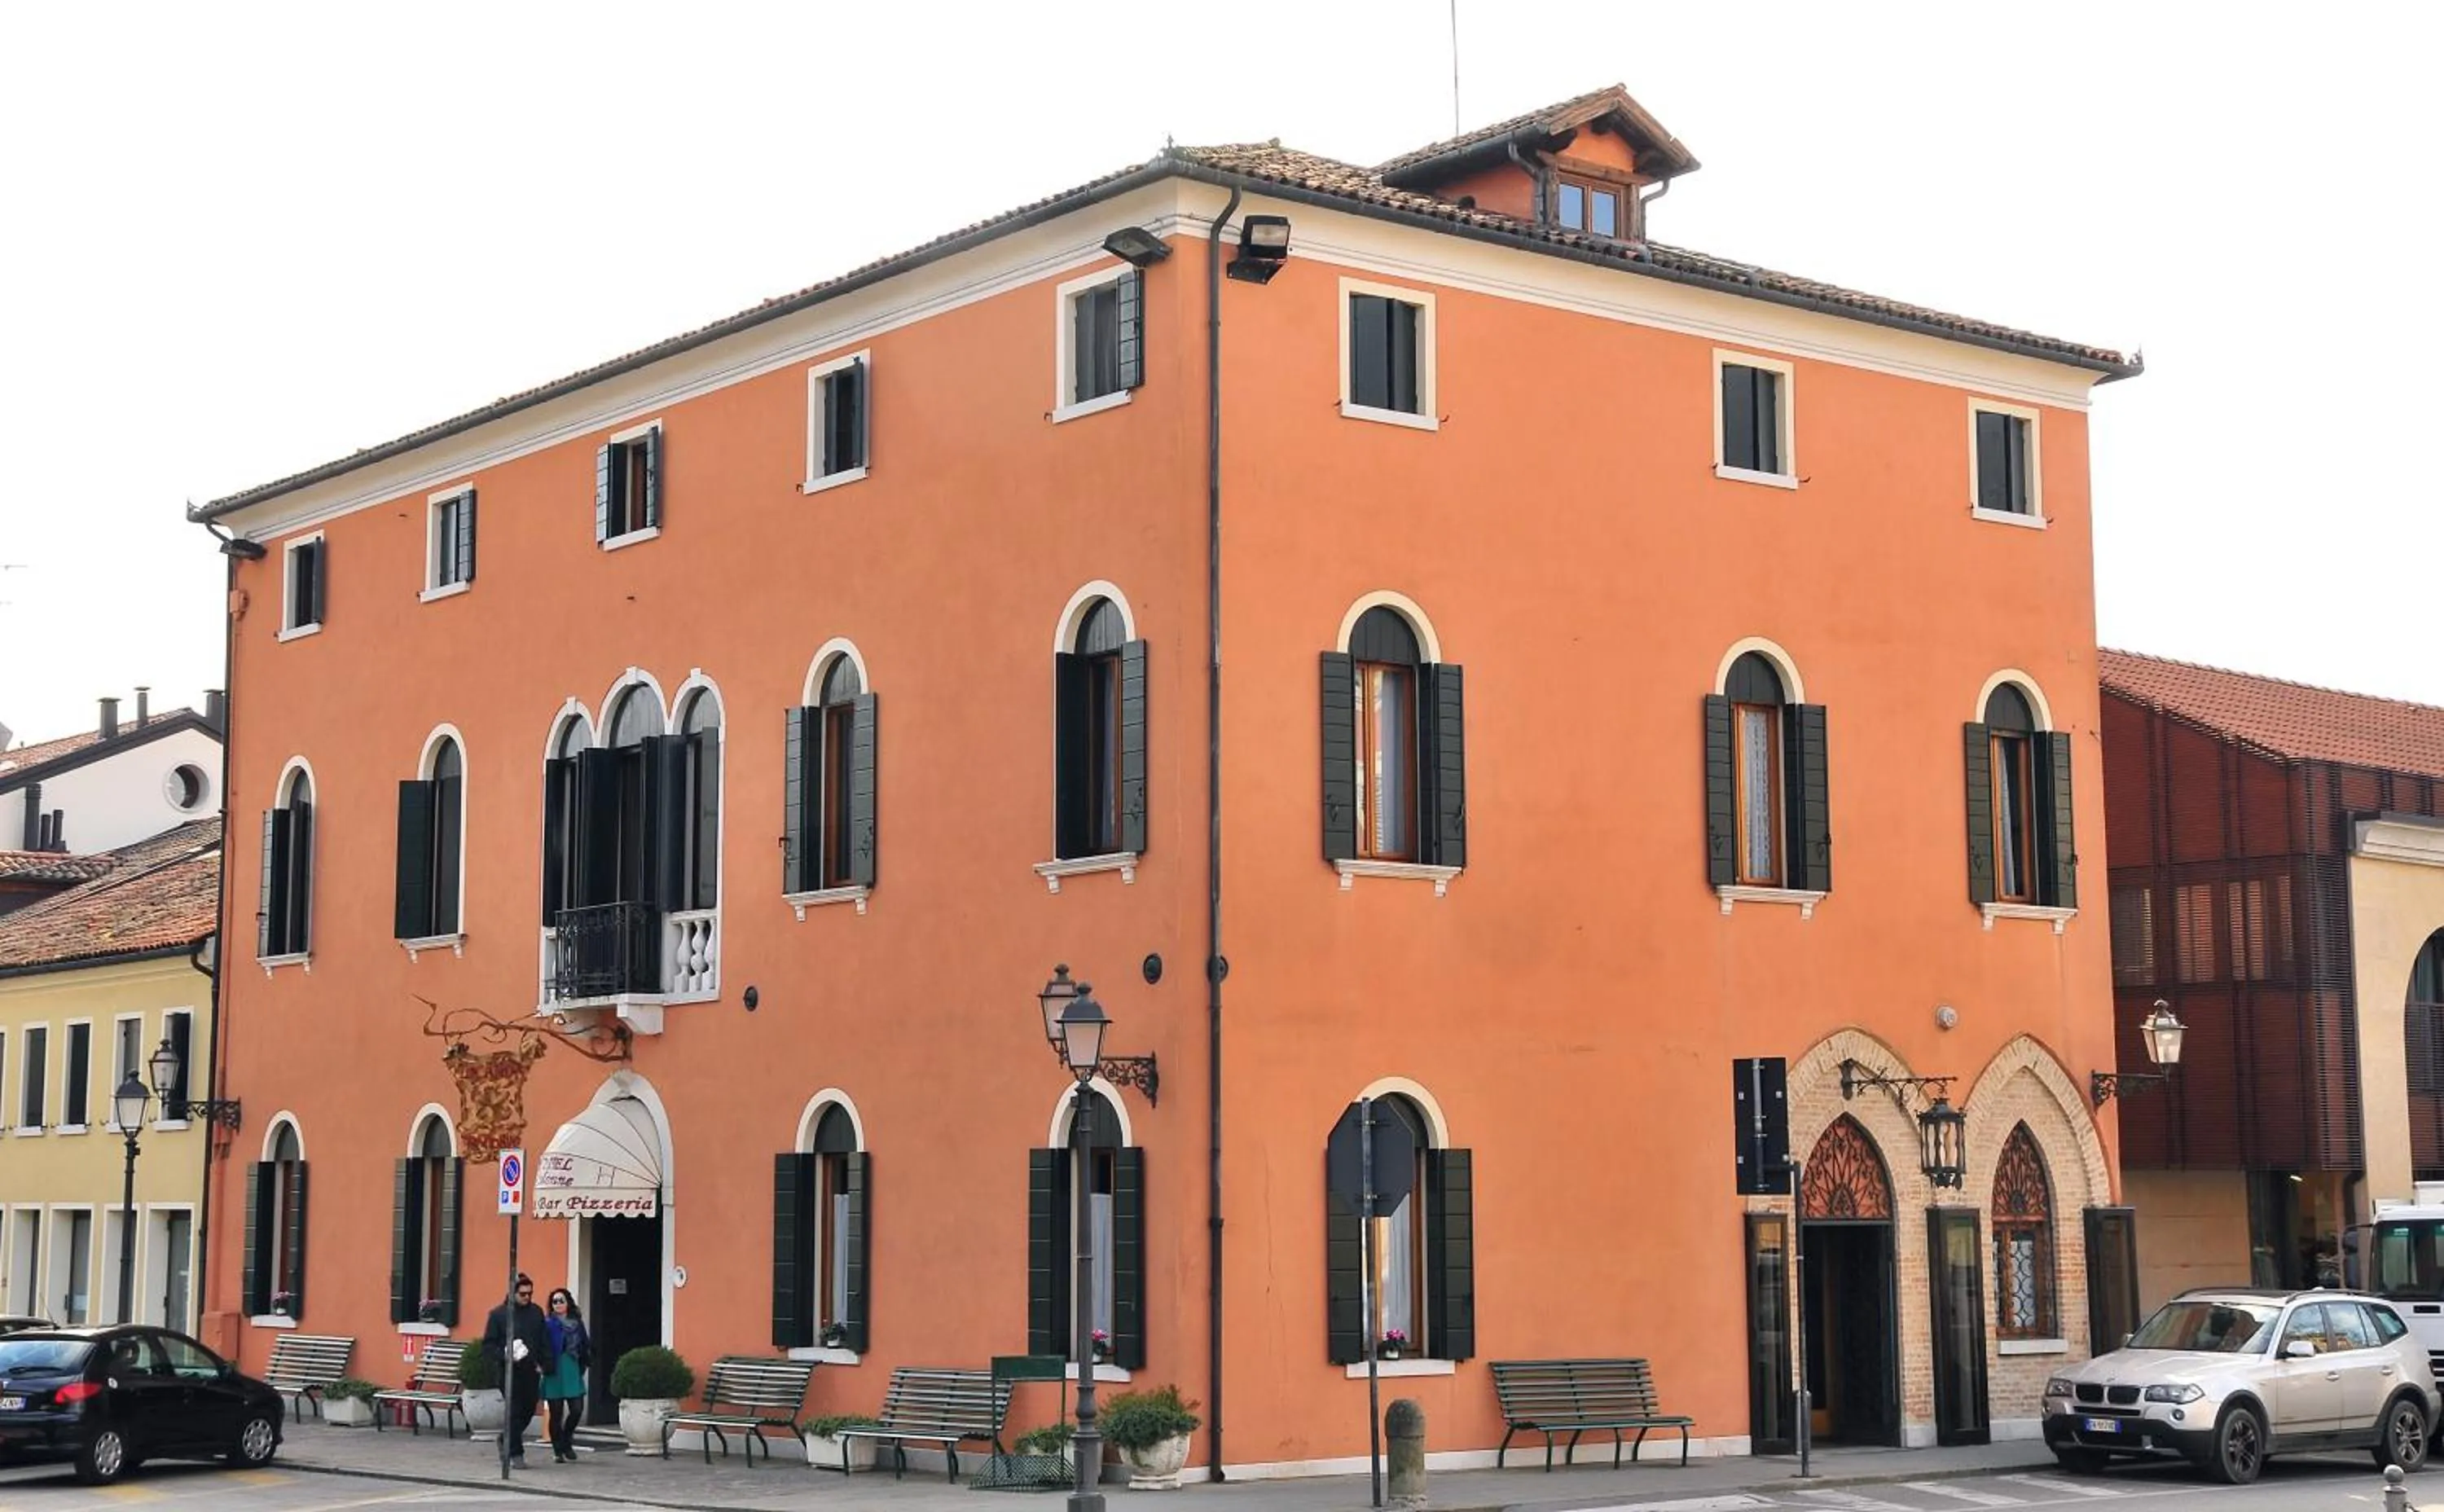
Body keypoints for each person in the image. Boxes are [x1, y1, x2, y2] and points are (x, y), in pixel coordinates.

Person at [481, 1274, 554, 1467]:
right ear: (513, 1293)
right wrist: (504, 1354)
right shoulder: (498, 1315)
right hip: (508, 1370)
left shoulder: (536, 1312)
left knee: (529, 1410)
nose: (527, 1297)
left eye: (530, 1293)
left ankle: (506, 1438)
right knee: (514, 1411)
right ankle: (516, 1453)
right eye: (523, 1294)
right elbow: (488, 1346)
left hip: (531, 1370)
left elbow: (543, 1340)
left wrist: (545, 1364)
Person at [540, 1287, 593, 1462]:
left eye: (561, 1300)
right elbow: (540, 1345)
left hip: (571, 1367)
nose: (558, 1304)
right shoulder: (548, 1323)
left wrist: (586, 1361)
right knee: (556, 1414)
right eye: (554, 1301)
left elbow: (585, 1344)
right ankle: (558, 1450)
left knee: (577, 1409)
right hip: (553, 1369)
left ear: (568, 1303)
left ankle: (566, 1439)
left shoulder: (576, 1323)